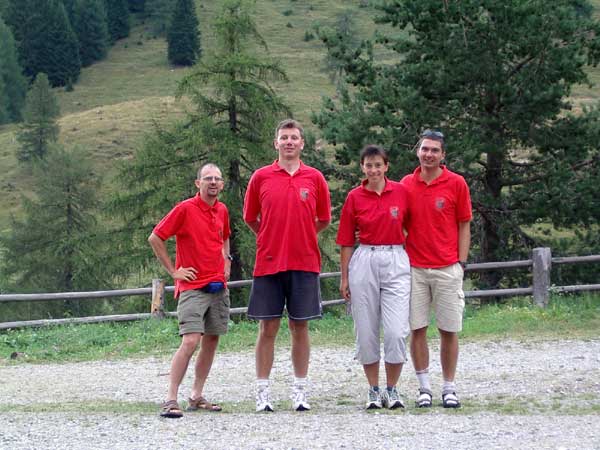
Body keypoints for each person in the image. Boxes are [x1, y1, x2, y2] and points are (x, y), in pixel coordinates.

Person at [243, 119, 331, 412]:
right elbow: (250, 218)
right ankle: (262, 392)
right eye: (284, 137)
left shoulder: (315, 178)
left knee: (300, 326)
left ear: (302, 143)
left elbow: (324, 219)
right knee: (268, 327)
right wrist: (271, 236)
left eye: (294, 137)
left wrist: (301, 235)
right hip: (269, 262)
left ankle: (300, 391)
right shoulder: (261, 177)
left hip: (304, 262)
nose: (289, 142)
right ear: (276, 143)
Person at [148, 163, 232, 418]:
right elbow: (155, 237)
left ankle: (196, 395)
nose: (213, 182)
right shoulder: (185, 209)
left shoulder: (222, 210)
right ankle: (170, 398)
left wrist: (227, 260)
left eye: (217, 179)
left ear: (222, 184)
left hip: (218, 287)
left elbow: (225, 236)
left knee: (211, 340)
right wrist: (174, 271)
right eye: (208, 178)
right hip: (193, 287)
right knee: (191, 340)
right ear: (198, 183)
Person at [400, 130, 472, 409]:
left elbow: (464, 223)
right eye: (424, 149)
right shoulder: (406, 184)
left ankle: (449, 387)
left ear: (443, 155)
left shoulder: (456, 183)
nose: (428, 154)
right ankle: (424, 387)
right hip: (415, 268)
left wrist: (460, 262)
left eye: (434, 150)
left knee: (448, 330)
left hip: (447, 267)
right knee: (417, 328)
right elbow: (398, 222)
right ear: (417, 151)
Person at [337, 144, 411, 410]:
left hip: (395, 258)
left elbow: (413, 227)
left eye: (378, 165)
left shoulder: (401, 192)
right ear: (362, 167)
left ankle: (392, 388)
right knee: (366, 329)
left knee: (395, 330)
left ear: (386, 166)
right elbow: (346, 240)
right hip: (365, 258)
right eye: (369, 165)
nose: (374, 170)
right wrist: (344, 277)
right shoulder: (355, 197)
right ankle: (373, 389)